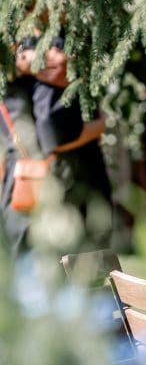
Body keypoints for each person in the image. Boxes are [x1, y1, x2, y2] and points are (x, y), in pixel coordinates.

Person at [0, 35, 111, 255]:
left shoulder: (19, 59)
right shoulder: (48, 49)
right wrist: (102, 125)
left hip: (22, 183)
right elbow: (53, 136)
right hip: (61, 180)